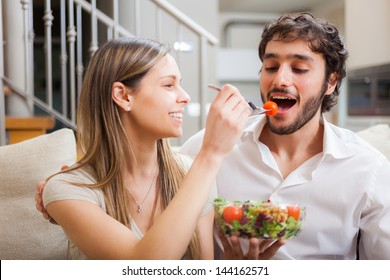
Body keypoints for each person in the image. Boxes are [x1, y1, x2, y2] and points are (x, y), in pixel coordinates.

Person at [180, 12, 390, 259]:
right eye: (271, 67)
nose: (280, 79)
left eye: (299, 68)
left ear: (331, 82)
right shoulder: (205, 149)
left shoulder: (369, 170)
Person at [37, 37, 252, 260]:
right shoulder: (67, 187)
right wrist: (211, 154)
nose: (185, 97)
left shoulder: (189, 172)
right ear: (122, 95)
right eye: (169, 85)